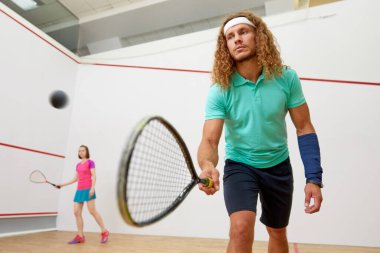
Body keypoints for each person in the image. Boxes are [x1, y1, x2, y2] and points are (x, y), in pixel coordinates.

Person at [197, 11, 323, 253]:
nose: (237, 39)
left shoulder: (286, 78)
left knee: (277, 232)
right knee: (241, 228)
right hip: (240, 165)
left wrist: (314, 178)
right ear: (226, 47)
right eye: (230, 36)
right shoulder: (220, 89)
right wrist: (207, 164)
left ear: (259, 36)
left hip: (278, 166)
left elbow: (304, 128)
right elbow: (210, 140)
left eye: (243, 32)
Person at [58, 145, 109, 244]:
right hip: (79, 190)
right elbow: (75, 179)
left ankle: (104, 231)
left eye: (83, 150)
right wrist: (62, 185)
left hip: (88, 189)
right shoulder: (78, 165)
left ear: (86, 152)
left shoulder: (90, 162)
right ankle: (80, 236)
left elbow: (94, 176)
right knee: (76, 212)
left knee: (92, 211)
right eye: (79, 151)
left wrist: (92, 188)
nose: (81, 152)